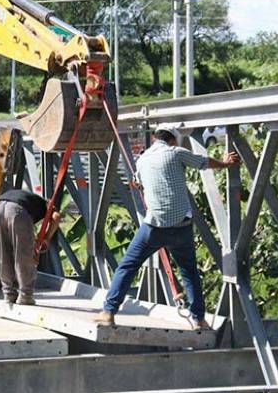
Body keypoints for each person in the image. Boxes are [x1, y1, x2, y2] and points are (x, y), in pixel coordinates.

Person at [93, 125, 240, 329]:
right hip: (182, 226)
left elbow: (137, 182)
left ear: (154, 138)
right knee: (189, 272)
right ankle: (199, 319)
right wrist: (225, 163)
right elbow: (204, 163)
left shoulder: (142, 160)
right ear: (173, 140)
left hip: (154, 228)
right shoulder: (176, 152)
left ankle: (109, 312)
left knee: (127, 266)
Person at [0, 189, 61, 305]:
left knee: (4, 255)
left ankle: (9, 294)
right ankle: (25, 295)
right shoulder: (45, 207)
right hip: (17, 211)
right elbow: (56, 217)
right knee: (24, 257)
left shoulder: (30, 200)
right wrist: (47, 237)